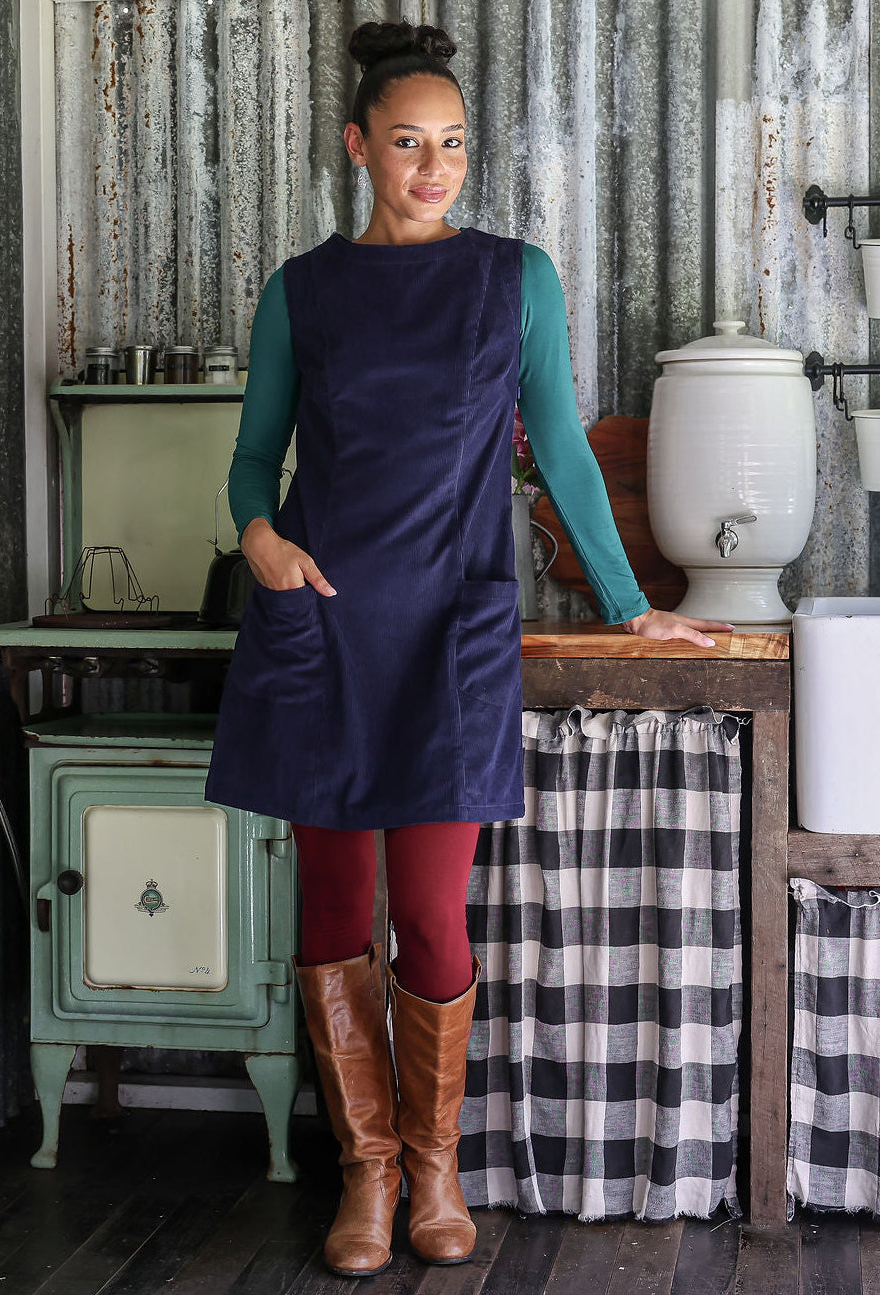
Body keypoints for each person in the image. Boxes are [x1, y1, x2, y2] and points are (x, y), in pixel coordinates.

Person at [206, 19, 729, 1280]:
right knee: (335, 912)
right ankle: (366, 1172)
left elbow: (556, 442)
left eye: (450, 145)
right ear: (357, 146)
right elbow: (249, 457)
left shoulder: (515, 278)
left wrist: (626, 602)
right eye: (406, 143)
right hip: (324, 624)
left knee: (432, 918)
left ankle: (433, 1159)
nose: (433, 167)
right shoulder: (302, 289)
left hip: (451, 628)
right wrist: (259, 539)